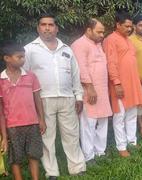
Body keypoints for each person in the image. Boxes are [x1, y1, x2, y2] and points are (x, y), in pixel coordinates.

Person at [24, 14, 86, 178]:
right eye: (43, 25)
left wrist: (78, 96)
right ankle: (52, 172)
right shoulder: (29, 49)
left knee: (72, 134)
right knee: (47, 137)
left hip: (67, 98)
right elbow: (25, 77)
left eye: (50, 25)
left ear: (56, 28)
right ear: (38, 28)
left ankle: (77, 168)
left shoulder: (66, 49)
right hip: (43, 99)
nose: (47, 28)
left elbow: (75, 75)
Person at [0, 43, 46, 180]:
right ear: (7, 58)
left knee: (34, 154)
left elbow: (38, 100)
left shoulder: (31, 77)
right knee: (15, 157)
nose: (23, 59)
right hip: (12, 126)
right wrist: (3, 134)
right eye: (19, 57)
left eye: (23, 57)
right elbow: (1, 112)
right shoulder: (1, 80)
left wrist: (41, 120)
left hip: (32, 123)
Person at [103, 11, 142, 157]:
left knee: (132, 114)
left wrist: (138, 78)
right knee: (119, 116)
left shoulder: (128, 40)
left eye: (130, 27)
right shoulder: (111, 39)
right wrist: (116, 83)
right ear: (118, 25)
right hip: (120, 85)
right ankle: (121, 147)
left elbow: (130, 62)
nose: (129, 29)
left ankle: (131, 142)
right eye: (126, 26)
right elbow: (111, 63)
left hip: (133, 84)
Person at [71, 18, 112, 163]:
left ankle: (100, 151)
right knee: (88, 123)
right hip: (90, 90)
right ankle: (89, 156)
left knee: (103, 120)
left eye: (103, 32)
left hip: (102, 90)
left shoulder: (98, 44)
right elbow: (81, 68)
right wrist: (89, 88)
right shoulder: (79, 44)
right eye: (99, 32)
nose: (102, 35)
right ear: (88, 30)